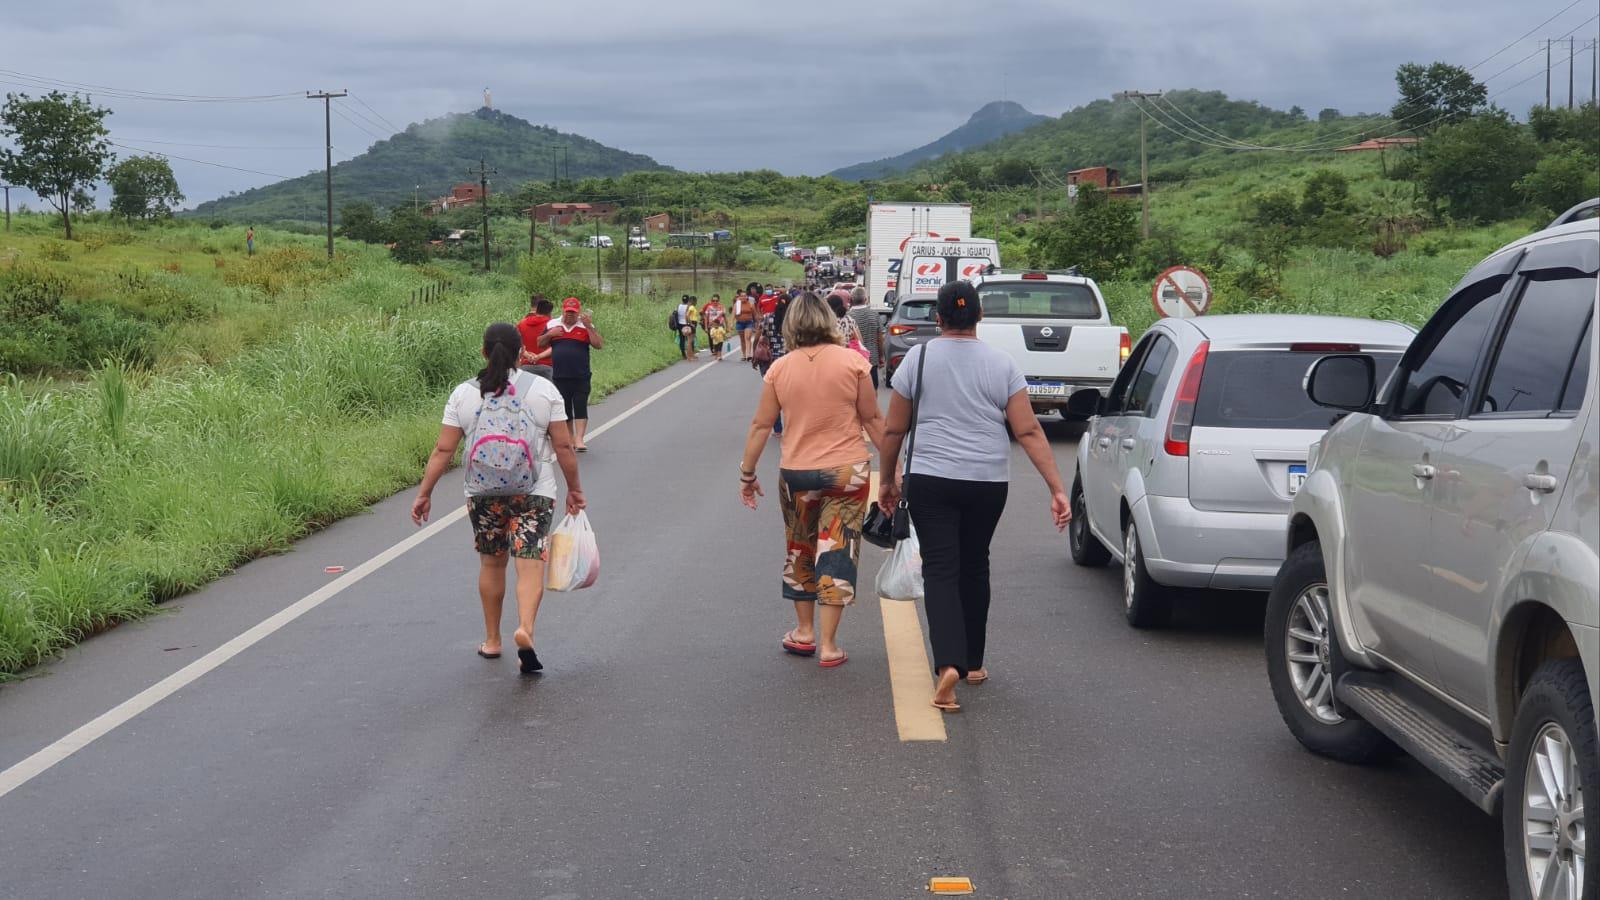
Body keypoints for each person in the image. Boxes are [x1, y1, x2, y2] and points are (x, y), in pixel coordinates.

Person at [877, 280, 1071, 713]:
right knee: (974, 563)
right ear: (980, 316)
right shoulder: (1002, 364)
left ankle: (948, 663)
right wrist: (1057, 488)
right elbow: (1027, 430)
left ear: (939, 318)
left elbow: (894, 429)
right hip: (987, 482)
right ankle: (974, 663)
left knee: (941, 568)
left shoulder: (917, 359)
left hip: (931, 478)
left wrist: (886, 480)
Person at [411, 322, 585, 675]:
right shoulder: (543, 390)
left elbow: (444, 449)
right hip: (534, 489)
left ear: (483, 352)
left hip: (482, 492)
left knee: (492, 563)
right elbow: (564, 446)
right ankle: (526, 629)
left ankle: (492, 640)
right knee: (530, 559)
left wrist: (424, 493)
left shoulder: (463, 394)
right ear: (523, 351)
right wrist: (575, 489)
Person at [739, 293, 887, 669]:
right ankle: (831, 645)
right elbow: (872, 419)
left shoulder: (779, 369)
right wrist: (894, 466)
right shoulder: (855, 362)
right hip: (847, 472)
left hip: (798, 472)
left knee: (801, 548)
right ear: (827, 320)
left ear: (790, 325)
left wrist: (748, 473)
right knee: (838, 549)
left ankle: (803, 634)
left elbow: (760, 425)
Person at [538, 297, 605, 452]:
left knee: (580, 405)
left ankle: (579, 439)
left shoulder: (585, 325)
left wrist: (589, 327)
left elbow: (598, 344)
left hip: (581, 374)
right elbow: (539, 343)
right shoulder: (552, 324)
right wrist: (550, 334)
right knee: (565, 407)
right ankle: (570, 437)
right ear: (563, 310)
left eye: (573, 313)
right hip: (560, 375)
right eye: (568, 312)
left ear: (578, 312)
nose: (570, 315)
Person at [847, 286, 883, 389]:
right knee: (872, 388)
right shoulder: (874, 315)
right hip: (872, 358)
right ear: (866, 299)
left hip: (853, 360)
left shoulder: (848, 316)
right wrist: (881, 357)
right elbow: (880, 338)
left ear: (851, 299)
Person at [517, 295, 555, 380]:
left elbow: (517, 344)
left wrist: (528, 356)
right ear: (549, 313)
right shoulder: (552, 324)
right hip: (547, 367)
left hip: (526, 366)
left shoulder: (521, 323)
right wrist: (538, 357)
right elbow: (555, 347)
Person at [702, 293, 728, 361]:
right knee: (713, 339)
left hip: (720, 325)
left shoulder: (722, 307)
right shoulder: (709, 307)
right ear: (712, 301)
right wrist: (705, 327)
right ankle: (715, 351)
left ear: (719, 300)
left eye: (716, 300)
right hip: (711, 325)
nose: (715, 302)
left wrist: (727, 326)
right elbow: (705, 317)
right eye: (714, 300)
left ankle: (719, 354)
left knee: (720, 339)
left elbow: (725, 317)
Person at [733, 290, 757, 359]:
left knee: (748, 338)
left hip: (749, 322)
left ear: (747, 297)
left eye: (744, 296)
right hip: (739, 323)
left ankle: (748, 354)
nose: (743, 297)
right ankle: (743, 355)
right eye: (742, 296)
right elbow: (733, 314)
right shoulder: (737, 304)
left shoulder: (750, 304)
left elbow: (754, 315)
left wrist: (757, 323)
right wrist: (731, 324)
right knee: (742, 339)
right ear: (739, 297)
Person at [675, 295, 695, 361]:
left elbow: (676, 313)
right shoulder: (688, 306)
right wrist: (691, 324)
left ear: (682, 299)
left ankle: (683, 354)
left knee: (682, 339)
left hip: (679, 324)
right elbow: (687, 316)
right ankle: (690, 354)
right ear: (688, 300)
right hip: (686, 324)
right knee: (689, 340)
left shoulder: (678, 306)